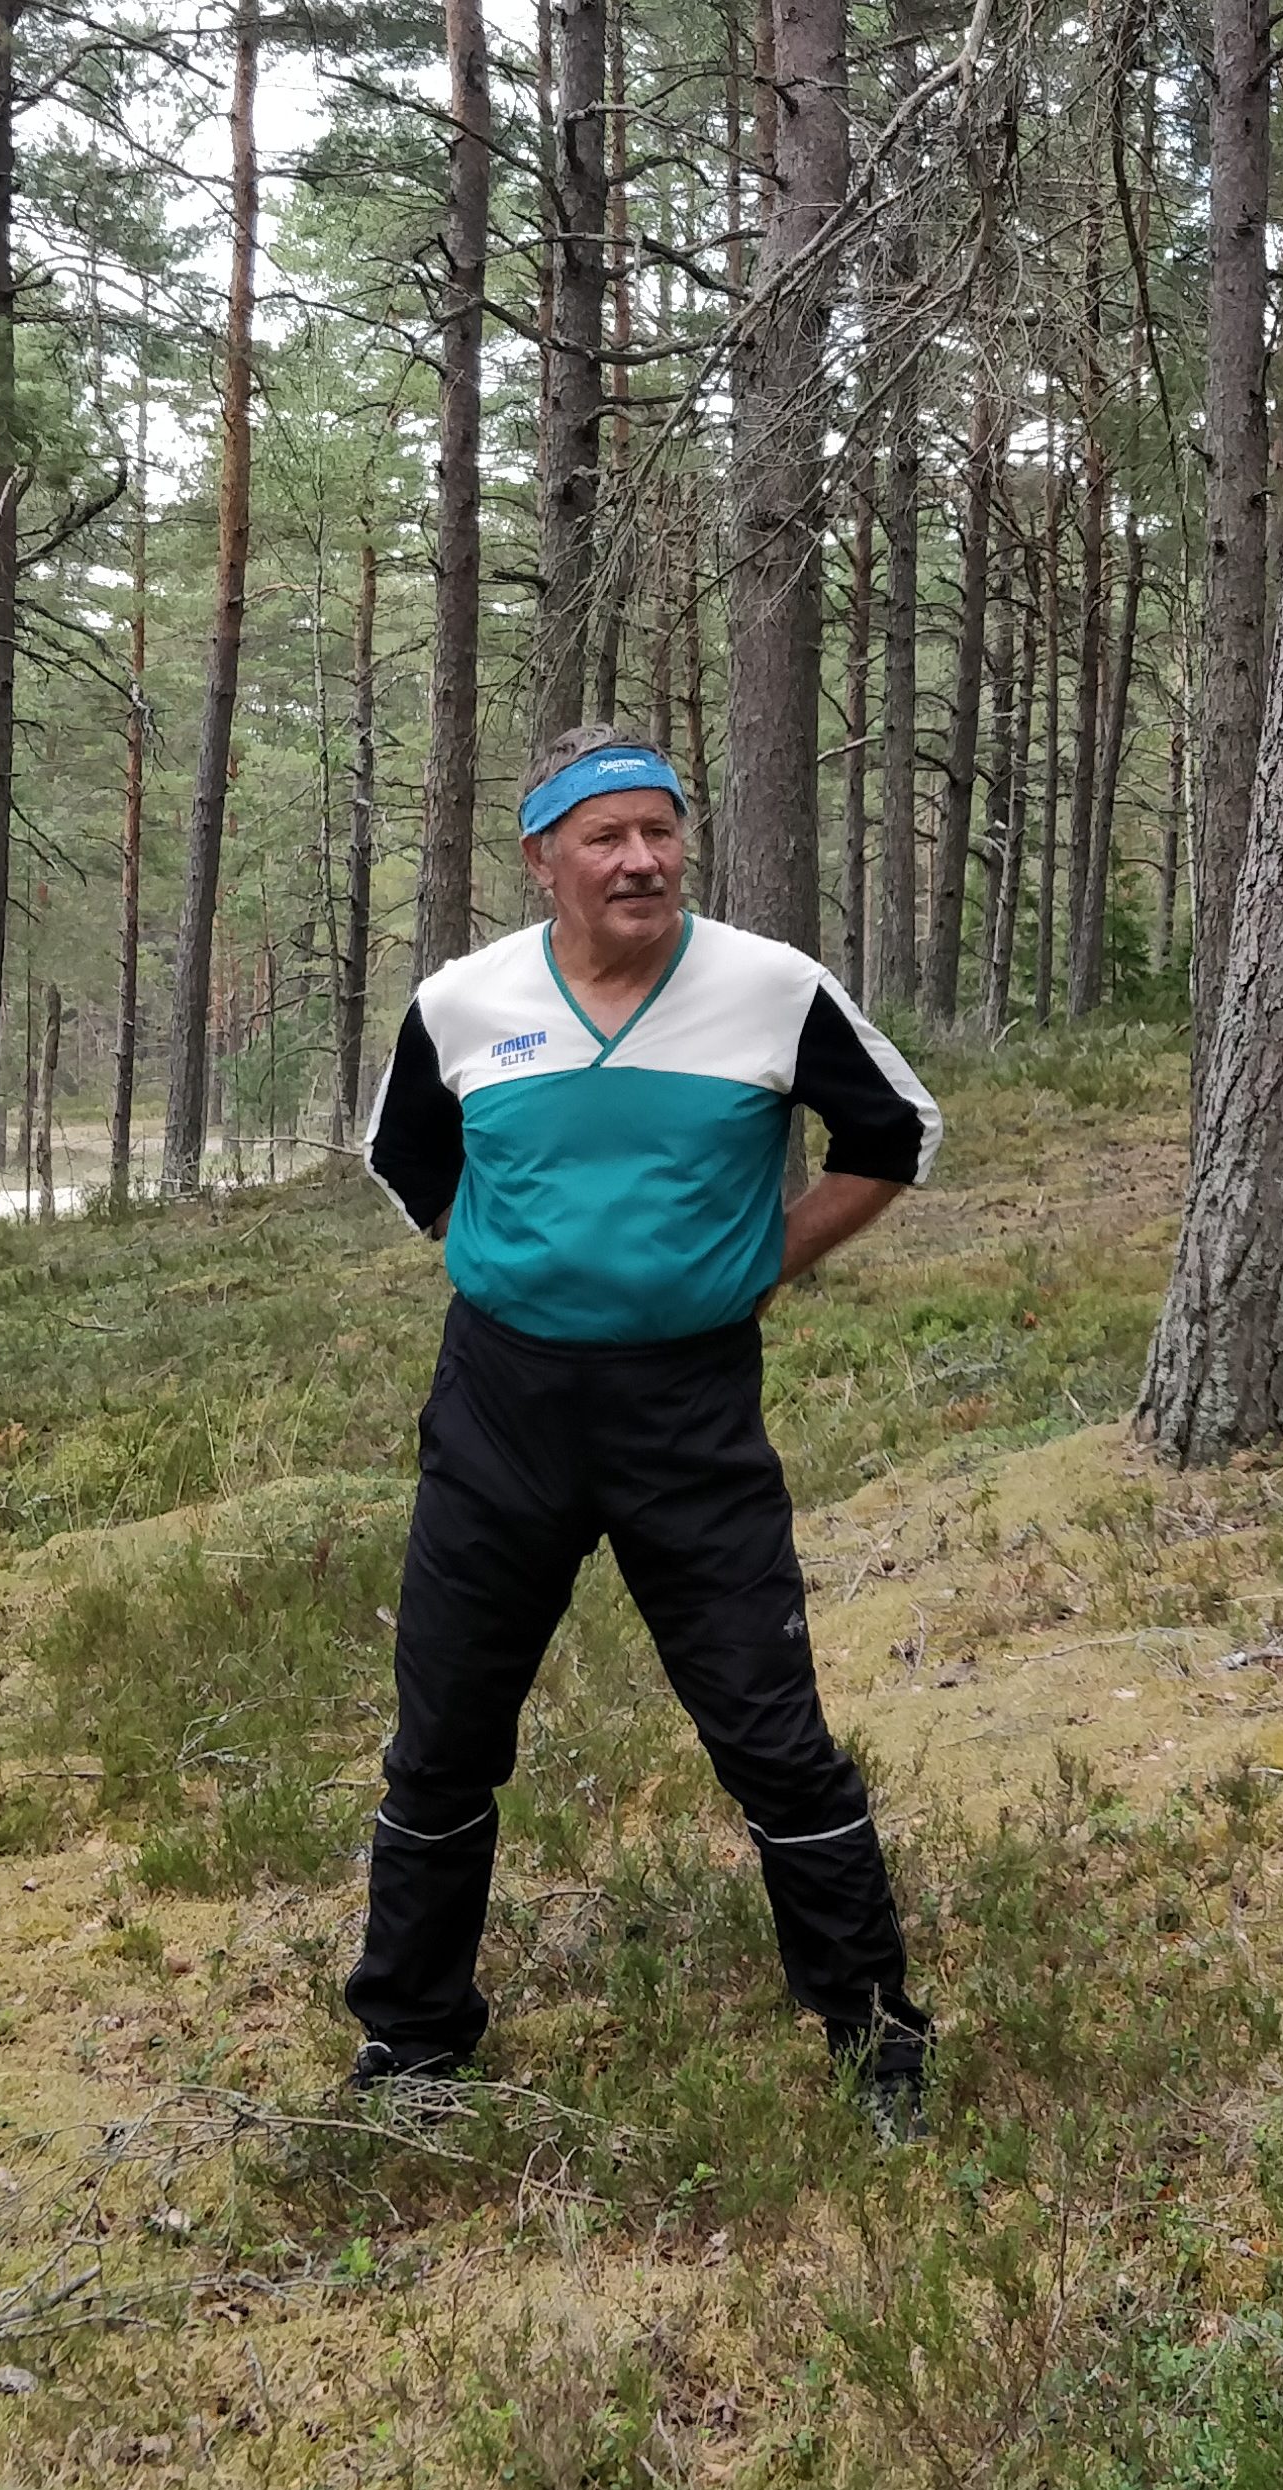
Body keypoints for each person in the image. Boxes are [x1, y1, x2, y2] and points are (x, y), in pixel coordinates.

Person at [352, 724, 945, 2127]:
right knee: (444, 1735)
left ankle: (874, 2038)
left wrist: (761, 1262)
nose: (641, 861)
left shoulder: (769, 987)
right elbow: (409, 1160)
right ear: (542, 858)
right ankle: (413, 2043)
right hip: (500, 1410)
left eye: (660, 831)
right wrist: (523, 1261)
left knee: (770, 1731)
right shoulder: (461, 1002)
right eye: (606, 837)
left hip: (689, 1414)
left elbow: (893, 1136)